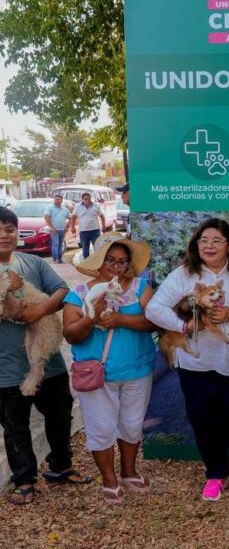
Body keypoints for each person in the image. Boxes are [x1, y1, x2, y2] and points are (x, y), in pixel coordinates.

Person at [146, 219, 229, 503]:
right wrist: (185, 327)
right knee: (205, 422)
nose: (209, 245)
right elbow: (154, 309)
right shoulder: (183, 275)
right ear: (196, 245)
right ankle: (215, 474)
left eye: (216, 240)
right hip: (199, 367)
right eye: (204, 240)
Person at [0, 207, 91, 506]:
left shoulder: (32, 263)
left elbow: (62, 290)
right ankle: (24, 481)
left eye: (10, 228)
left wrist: (40, 309)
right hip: (7, 367)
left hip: (48, 362)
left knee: (60, 414)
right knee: (15, 425)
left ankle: (61, 466)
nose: (5, 234)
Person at [62, 232, 157, 503]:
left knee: (132, 424)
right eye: (110, 261)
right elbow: (70, 335)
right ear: (100, 262)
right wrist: (92, 317)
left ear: (129, 264)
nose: (116, 267)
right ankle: (109, 478)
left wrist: (122, 321)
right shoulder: (80, 293)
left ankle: (129, 471)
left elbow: (154, 321)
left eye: (122, 262)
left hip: (137, 369)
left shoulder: (141, 287)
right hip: (97, 372)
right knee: (101, 427)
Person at [71, 192, 105, 259]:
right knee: (85, 249)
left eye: (89, 199)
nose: (88, 200)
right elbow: (73, 216)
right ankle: (87, 263)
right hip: (83, 231)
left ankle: (97, 262)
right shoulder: (77, 206)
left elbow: (102, 216)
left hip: (95, 231)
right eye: (86, 199)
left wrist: (103, 226)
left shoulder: (96, 206)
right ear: (82, 199)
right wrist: (72, 227)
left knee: (97, 247)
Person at [44, 195, 71, 264]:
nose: (57, 200)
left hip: (62, 230)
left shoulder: (65, 209)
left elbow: (71, 218)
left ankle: (60, 259)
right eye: (56, 199)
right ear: (54, 200)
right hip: (54, 230)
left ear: (61, 201)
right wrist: (52, 227)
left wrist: (67, 227)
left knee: (60, 244)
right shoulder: (50, 208)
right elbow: (47, 217)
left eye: (59, 199)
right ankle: (55, 259)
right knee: (55, 244)